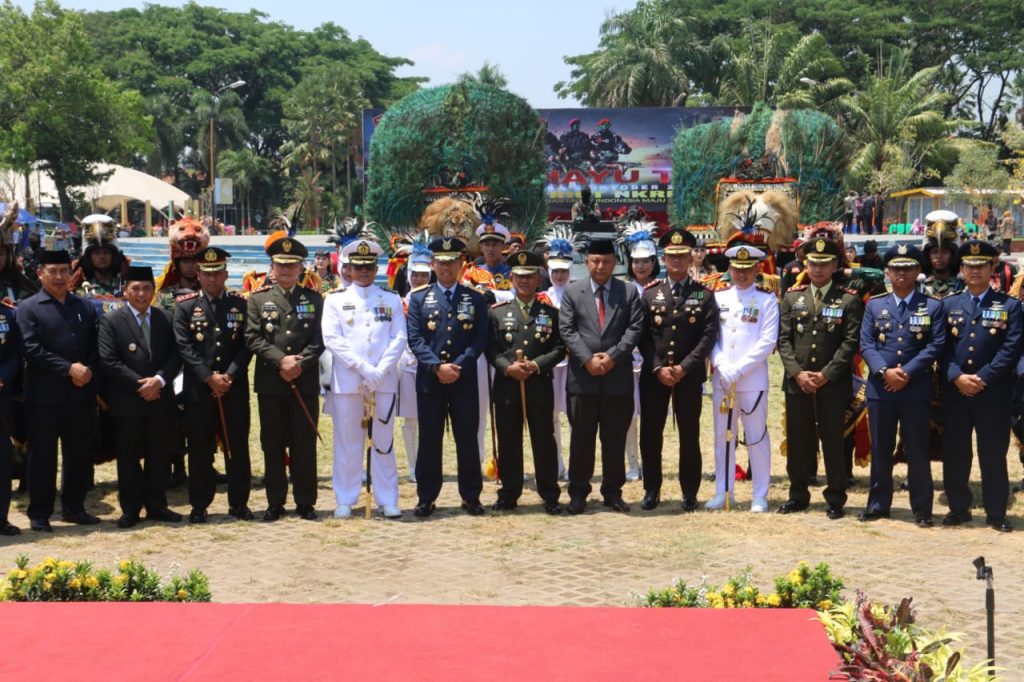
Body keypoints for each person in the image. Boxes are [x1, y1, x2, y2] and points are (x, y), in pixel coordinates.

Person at [856, 244, 946, 527]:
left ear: (918, 271)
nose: (901, 274)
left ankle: (922, 508)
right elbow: (866, 343)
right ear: (887, 272)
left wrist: (906, 372)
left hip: (914, 388)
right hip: (880, 389)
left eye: (908, 268)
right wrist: (885, 372)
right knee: (881, 449)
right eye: (896, 268)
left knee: (917, 450)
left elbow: (936, 344)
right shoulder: (874, 305)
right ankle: (878, 505)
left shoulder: (932, 306)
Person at [776, 238, 863, 520]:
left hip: (833, 384)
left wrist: (826, 374)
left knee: (833, 441)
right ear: (805, 264)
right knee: (798, 441)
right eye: (813, 263)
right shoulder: (792, 298)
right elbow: (784, 340)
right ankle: (797, 495)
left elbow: (850, 343)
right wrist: (798, 373)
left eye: (824, 263)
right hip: (798, 382)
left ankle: (835, 497)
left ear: (835, 265)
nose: (818, 268)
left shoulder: (848, 299)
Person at [940, 240, 1022, 532]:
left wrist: (983, 377)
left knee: (993, 454)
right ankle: (958, 508)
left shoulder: (1009, 306)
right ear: (961, 270)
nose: (975, 271)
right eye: (969, 266)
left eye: (981, 266)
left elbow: (1011, 349)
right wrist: (957, 376)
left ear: (992, 269)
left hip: (993, 393)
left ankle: (996, 513)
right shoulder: (948, 305)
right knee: (956, 453)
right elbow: (941, 348)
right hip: (956, 392)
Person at [558, 238, 644, 514]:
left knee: (614, 439)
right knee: (581, 440)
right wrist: (587, 359)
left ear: (614, 263)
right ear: (587, 263)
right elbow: (567, 330)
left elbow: (634, 329)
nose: (600, 266)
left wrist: (613, 357)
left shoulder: (628, 291)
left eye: (606, 261)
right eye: (595, 261)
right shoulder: (573, 291)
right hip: (582, 379)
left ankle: (613, 492)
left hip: (617, 377)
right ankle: (578, 493)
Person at [17, 250, 101, 532]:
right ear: (40, 273)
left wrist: (86, 370)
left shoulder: (84, 306)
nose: (59, 277)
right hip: (45, 396)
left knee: (79, 454)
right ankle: (40, 513)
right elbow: (30, 348)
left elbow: (96, 345)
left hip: (81, 394)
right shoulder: (28, 307)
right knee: (43, 456)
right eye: (52, 271)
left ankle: (74, 508)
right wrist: (68, 369)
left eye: (64, 270)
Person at [322, 238, 406, 519]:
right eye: (358, 267)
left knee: (383, 442)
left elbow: (398, 338)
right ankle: (345, 498)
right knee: (347, 443)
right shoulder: (335, 300)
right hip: (348, 382)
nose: (364, 272)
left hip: (383, 382)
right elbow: (332, 339)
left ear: (376, 268)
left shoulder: (391, 299)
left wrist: (379, 371)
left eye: (369, 267)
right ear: (349, 269)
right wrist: (364, 368)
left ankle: (387, 498)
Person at [406, 237, 489, 517]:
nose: (446, 267)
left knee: (467, 438)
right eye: (441, 262)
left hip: (463, 379)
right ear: (432, 264)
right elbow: (415, 339)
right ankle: (426, 497)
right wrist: (437, 367)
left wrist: (459, 365)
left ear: (461, 263)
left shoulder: (474, 297)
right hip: (430, 380)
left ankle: (471, 496)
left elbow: (480, 337)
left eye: (452, 261)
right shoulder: (419, 297)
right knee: (430, 439)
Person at [245, 234, 325, 522]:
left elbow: (320, 339)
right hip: (272, 382)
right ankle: (275, 501)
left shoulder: (314, 299)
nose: (287, 270)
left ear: (301, 268)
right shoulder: (258, 299)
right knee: (273, 443)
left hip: (304, 381)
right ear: (272, 267)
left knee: (304, 443)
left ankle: (305, 501)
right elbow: (252, 337)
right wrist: (281, 360)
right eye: (281, 264)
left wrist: (299, 363)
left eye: (292, 265)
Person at [638, 228, 718, 511]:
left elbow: (708, 336)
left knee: (689, 434)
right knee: (650, 434)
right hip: (655, 376)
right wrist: (658, 367)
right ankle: (651, 490)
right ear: (664, 258)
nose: (677, 261)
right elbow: (642, 336)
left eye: (682, 255)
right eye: (672, 256)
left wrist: (684, 367)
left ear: (691, 257)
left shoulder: (704, 295)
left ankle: (689, 492)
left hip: (689, 375)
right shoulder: (651, 294)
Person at [173, 246, 253, 523]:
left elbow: (247, 345)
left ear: (226, 274)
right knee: (199, 449)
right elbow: (184, 347)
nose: (212, 278)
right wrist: (209, 377)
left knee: (237, 446)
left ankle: (239, 502)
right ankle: (199, 504)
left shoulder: (240, 305)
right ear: (198, 275)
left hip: (233, 388)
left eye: (217, 273)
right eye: (207, 273)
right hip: (199, 390)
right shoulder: (185, 306)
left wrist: (229, 375)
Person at [98, 266, 182, 528]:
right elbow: (109, 360)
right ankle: (131, 509)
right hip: (127, 400)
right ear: (125, 291)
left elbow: (176, 355)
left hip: (160, 398)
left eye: (147, 288)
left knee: (159, 454)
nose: (142, 294)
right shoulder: (112, 320)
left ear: (154, 291)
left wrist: (159, 380)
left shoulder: (166, 318)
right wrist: (141, 385)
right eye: (135, 288)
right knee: (128, 457)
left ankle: (157, 505)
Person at [486, 251, 566, 513]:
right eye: (519, 276)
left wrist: (535, 365)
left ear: (538, 279)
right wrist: (508, 368)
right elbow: (490, 349)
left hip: (538, 384)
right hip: (507, 385)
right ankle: (509, 493)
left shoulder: (550, 313)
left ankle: (549, 494)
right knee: (509, 440)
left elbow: (559, 348)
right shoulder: (497, 313)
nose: (524, 281)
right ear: (511, 278)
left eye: (530, 276)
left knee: (543, 439)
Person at [708, 244, 779, 512]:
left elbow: (767, 342)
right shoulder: (718, 297)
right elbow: (711, 336)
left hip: (752, 381)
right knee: (722, 437)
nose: (742, 274)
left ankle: (760, 494)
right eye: (737, 268)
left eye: (747, 269)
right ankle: (723, 491)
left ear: (757, 269)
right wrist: (720, 363)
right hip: (723, 379)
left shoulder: (767, 300)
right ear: (730, 268)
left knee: (756, 437)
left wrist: (739, 369)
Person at [620, 222, 659, 482]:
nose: (641, 266)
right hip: (628, 361)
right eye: (636, 261)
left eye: (646, 261)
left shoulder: (661, 288)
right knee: (629, 417)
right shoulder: (623, 290)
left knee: (651, 416)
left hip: (654, 361)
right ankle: (632, 463)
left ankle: (650, 462)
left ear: (654, 262)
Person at [541, 225, 580, 481]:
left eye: (563, 271)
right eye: (555, 271)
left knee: (577, 417)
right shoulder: (542, 298)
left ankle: (577, 466)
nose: (559, 276)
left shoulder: (581, 295)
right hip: (550, 366)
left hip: (575, 364)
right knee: (550, 417)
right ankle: (556, 465)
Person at [398, 239, 432, 481]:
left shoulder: (437, 300)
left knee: (430, 419)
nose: (419, 279)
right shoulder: (399, 302)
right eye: (415, 275)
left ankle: (429, 462)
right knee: (410, 419)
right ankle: (413, 466)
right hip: (408, 366)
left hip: (431, 366)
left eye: (424, 275)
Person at [0, 298, 21, 535]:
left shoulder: (6, 314)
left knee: (2, 461)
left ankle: (1, 519)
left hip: (1, 396)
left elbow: (15, 353)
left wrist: (3, 376)